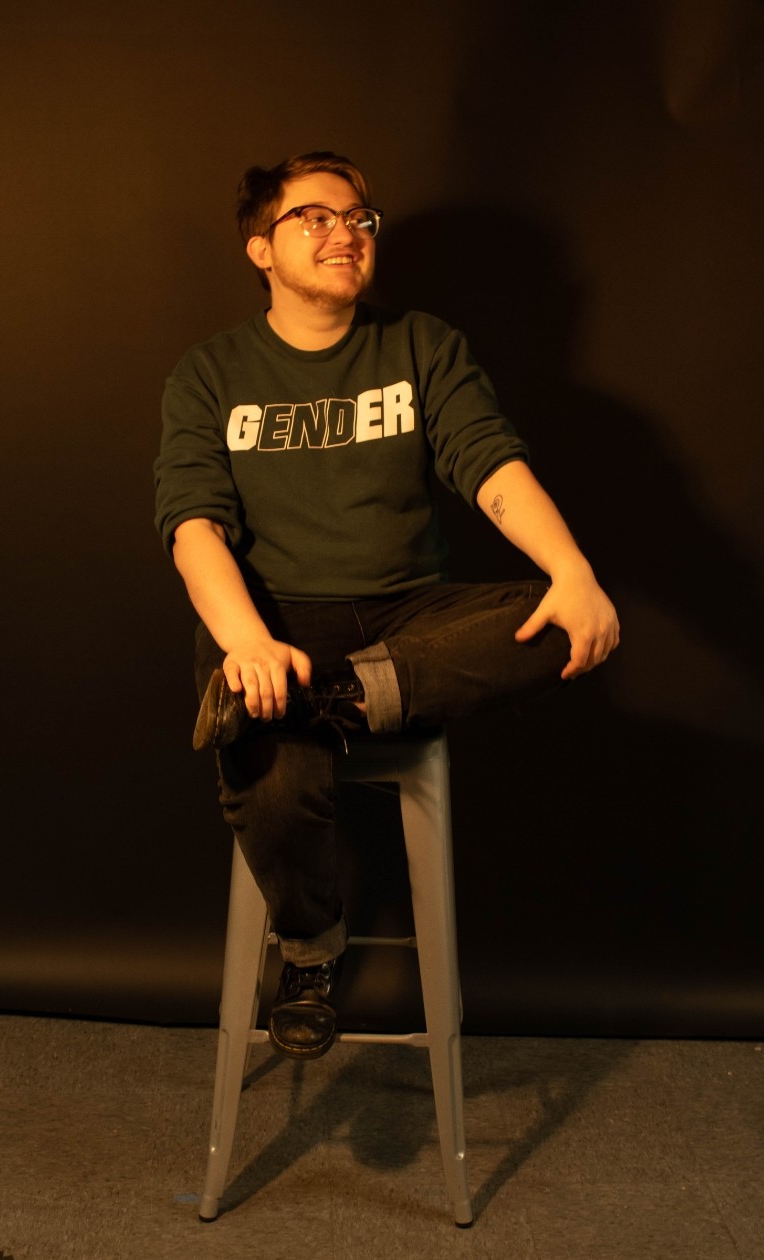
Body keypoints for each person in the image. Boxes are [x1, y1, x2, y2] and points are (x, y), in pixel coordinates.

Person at [154, 151, 619, 1060]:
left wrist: (572, 568)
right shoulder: (210, 373)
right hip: (275, 618)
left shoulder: (422, 346)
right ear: (260, 248)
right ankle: (311, 950)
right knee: (274, 771)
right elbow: (192, 526)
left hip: (411, 622)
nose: (346, 232)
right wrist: (247, 643)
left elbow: (487, 462)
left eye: (360, 219)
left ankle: (332, 699)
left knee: (557, 613)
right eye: (316, 218)